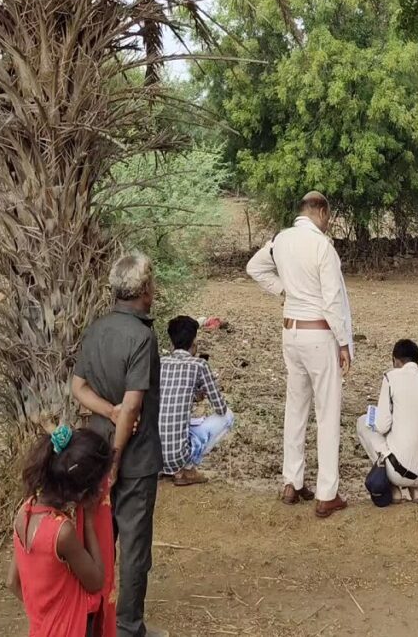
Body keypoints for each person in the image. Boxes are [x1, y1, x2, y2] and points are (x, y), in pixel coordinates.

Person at [71, 253, 167, 637]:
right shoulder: (142, 337)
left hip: (94, 448)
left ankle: (95, 623)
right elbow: (132, 405)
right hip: (133, 457)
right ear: (144, 290)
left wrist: (105, 411)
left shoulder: (96, 330)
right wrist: (116, 459)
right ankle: (127, 627)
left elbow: (78, 388)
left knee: (98, 539)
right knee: (134, 547)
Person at [246, 191, 353, 518]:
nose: (328, 222)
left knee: (296, 407)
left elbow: (254, 267)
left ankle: (291, 482)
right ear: (320, 211)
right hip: (319, 333)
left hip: (290, 332)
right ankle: (326, 493)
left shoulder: (282, 240)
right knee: (327, 412)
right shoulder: (322, 246)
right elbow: (333, 299)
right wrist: (345, 342)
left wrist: (284, 290)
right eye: (328, 216)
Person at [7, 425, 114, 637]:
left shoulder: (25, 511)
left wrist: (45, 615)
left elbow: (12, 582)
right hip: (72, 629)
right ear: (84, 491)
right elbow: (96, 582)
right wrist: (90, 521)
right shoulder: (61, 532)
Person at [356, 339, 418, 505]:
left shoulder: (391, 377)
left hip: (399, 470)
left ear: (396, 360)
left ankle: (394, 486)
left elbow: (381, 426)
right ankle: (415, 489)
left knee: (363, 422)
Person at [159, 316, 234, 487]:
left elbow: (167, 396)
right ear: (194, 343)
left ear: (171, 343)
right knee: (228, 416)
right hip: (177, 455)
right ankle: (187, 468)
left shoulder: (159, 363)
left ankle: (166, 469)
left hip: (152, 454)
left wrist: (193, 396)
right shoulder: (199, 365)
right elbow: (220, 408)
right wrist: (203, 392)